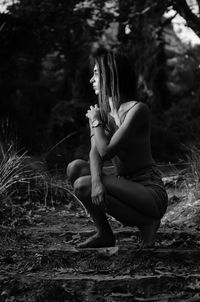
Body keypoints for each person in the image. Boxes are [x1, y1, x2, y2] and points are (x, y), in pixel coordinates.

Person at [66, 50, 168, 248]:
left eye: (96, 74)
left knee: (82, 185)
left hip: (148, 191)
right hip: (123, 185)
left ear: (110, 75)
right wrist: (97, 182)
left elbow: (107, 152)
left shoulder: (137, 110)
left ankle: (148, 221)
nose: (91, 80)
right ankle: (104, 234)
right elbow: (94, 153)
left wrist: (95, 121)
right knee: (75, 168)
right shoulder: (101, 113)